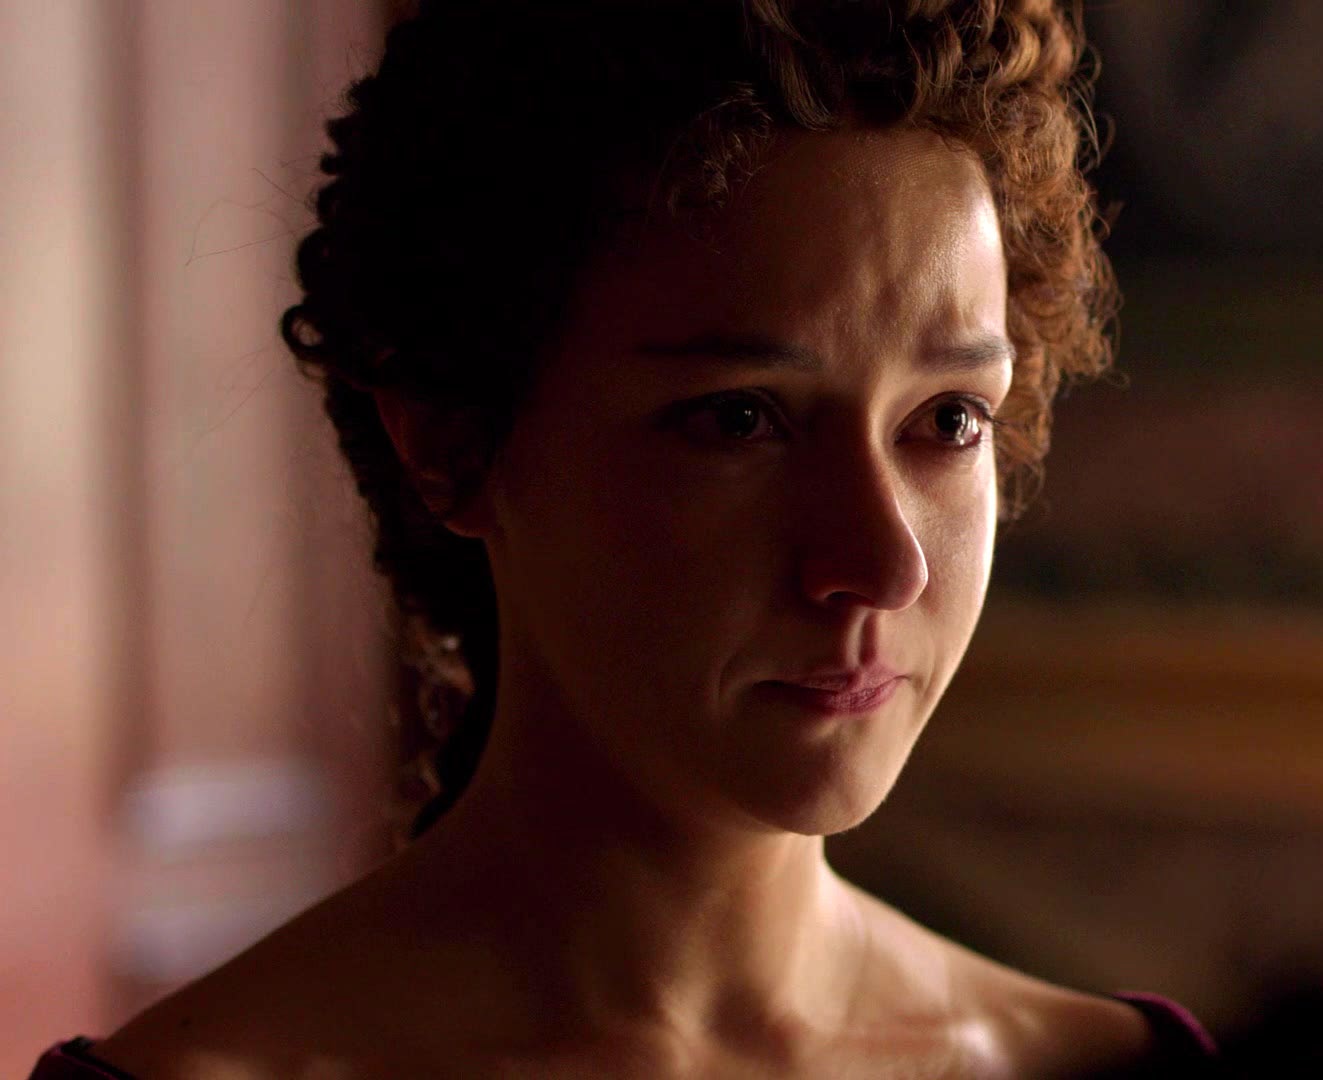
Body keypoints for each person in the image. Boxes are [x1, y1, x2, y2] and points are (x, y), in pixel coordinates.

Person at [30, 1, 1219, 1076]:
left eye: (949, 421)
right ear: (450, 439)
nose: (884, 562)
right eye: (740, 420)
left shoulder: (1110, 1072)